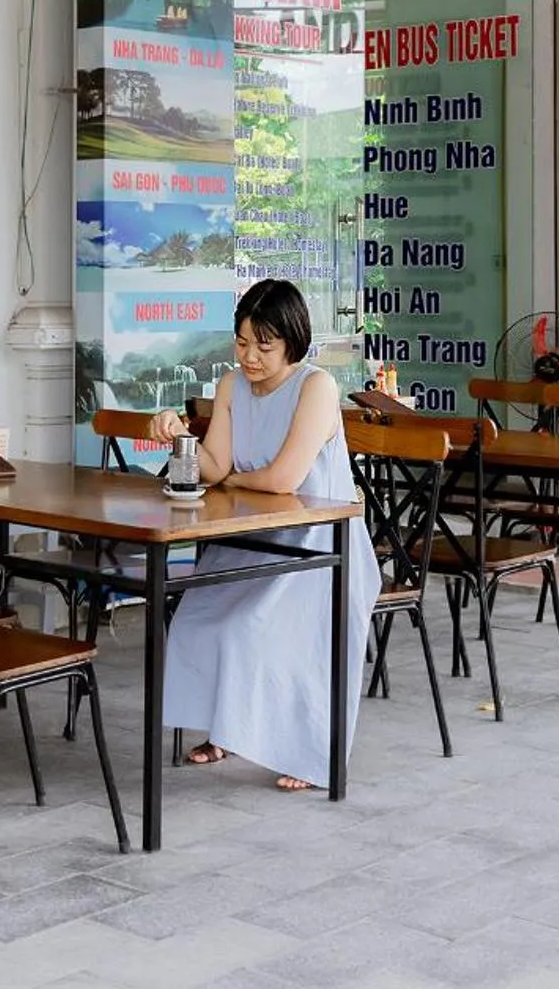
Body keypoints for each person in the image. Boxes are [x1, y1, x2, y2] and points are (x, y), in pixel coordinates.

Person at [147, 279, 380, 792]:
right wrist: (180, 436)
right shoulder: (232, 385)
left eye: (264, 345)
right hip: (250, 536)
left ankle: (310, 752)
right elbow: (214, 465)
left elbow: (282, 479)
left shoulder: (315, 386)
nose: (250, 356)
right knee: (196, 621)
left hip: (322, 545)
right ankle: (230, 730)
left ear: (292, 341)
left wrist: (226, 478)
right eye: (243, 342)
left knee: (251, 627)